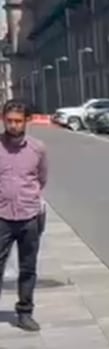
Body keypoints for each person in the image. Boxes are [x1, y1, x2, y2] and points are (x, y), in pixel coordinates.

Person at [0, 99, 48, 332]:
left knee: (28, 267)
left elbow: (42, 178)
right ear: (3, 120)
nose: (13, 125)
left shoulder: (37, 149)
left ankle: (25, 313)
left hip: (29, 216)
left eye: (18, 121)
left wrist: (32, 200)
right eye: (9, 121)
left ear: (27, 121)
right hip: (1, 217)